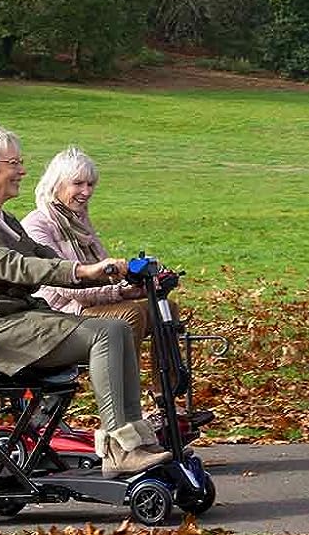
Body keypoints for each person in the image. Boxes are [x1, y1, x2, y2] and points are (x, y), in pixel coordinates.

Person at [0, 121, 171, 477]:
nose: (22, 170)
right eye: (12, 163)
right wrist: (82, 272)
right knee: (106, 334)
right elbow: (13, 266)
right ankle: (119, 449)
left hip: (23, 320)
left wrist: (121, 278)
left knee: (117, 329)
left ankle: (137, 441)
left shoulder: (5, 220)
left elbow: (47, 258)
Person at [20, 147, 213, 429]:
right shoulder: (38, 225)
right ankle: (127, 415)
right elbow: (69, 288)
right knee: (128, 316)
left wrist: (138, 283)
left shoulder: (79, 221)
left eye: (90, 184)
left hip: (90, 305)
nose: (86, 191)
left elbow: (105, 272)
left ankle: (167, 403)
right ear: (56, 184)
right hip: (59, 314)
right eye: (78, 184)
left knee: (164, 308)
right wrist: (121, 291)